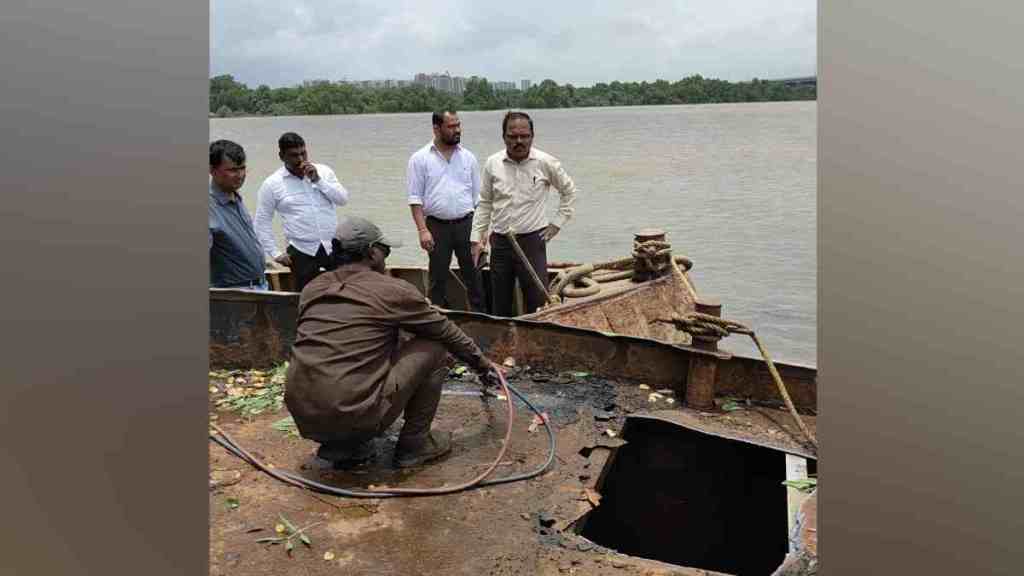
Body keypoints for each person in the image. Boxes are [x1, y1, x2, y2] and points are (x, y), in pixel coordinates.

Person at [284, 216, 502, 468]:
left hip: (304, 415)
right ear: (372, 253)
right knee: (435, 346)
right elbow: (446, 332)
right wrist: (484, 366)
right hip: (352, 413)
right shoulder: (393, 290)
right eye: (384, 250)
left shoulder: (313, 287)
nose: (386, 257)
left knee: (378, 341)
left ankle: (349, 446)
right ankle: (415, 445)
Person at [471, 111, 578, 316]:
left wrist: (557, 223)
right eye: (512, 136)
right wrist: (477, 239)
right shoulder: (493, 163)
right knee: (499, 303)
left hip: (532, 242)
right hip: (500, 243)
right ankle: (501, 343)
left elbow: (569, 191)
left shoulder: (545, 162)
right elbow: (484, 203)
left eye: (524, 136)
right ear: (504, 137)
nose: (518, 141)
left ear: (532, 136)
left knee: (538, 302)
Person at [407, 109, 485, 311]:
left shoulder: (468, 158)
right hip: (436, 227)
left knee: (474, 277)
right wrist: (422, 230)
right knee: (437, 279)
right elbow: (415, 199)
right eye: (451, 126)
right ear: (436, 128)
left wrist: (482, 234)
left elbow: (480, 200)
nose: (457, 130)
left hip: (467, 224)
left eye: (458, 125)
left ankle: (480, 319)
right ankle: (436, 321)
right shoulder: (419, 159)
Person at [254, 132, 350, 292]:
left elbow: (342, 199)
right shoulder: (271, 184)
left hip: (333, 246)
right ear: (281, 156)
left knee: (342, 292)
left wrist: (318, 180)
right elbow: (262, 221)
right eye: (293, 155)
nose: (300, 159)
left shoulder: (324, 172)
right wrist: (275, 253)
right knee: (306, 296)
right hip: (301, 251)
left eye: (303, 153)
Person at [209, 139, 268, 290]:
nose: (240, 175)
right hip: (233, 293)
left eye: (242, 168)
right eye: (233, 170)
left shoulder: (235, 197)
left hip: (258, 285)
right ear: (211, 169)